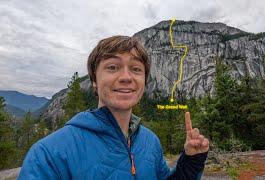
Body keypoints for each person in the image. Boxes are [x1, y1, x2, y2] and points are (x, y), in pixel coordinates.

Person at [18, 35, 209, 180]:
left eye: (136, 69)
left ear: (143, 81)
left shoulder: (150, 142)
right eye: (112, 67)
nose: (126, 77)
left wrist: (191, 161)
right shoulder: (48, 155)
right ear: (94, 80)